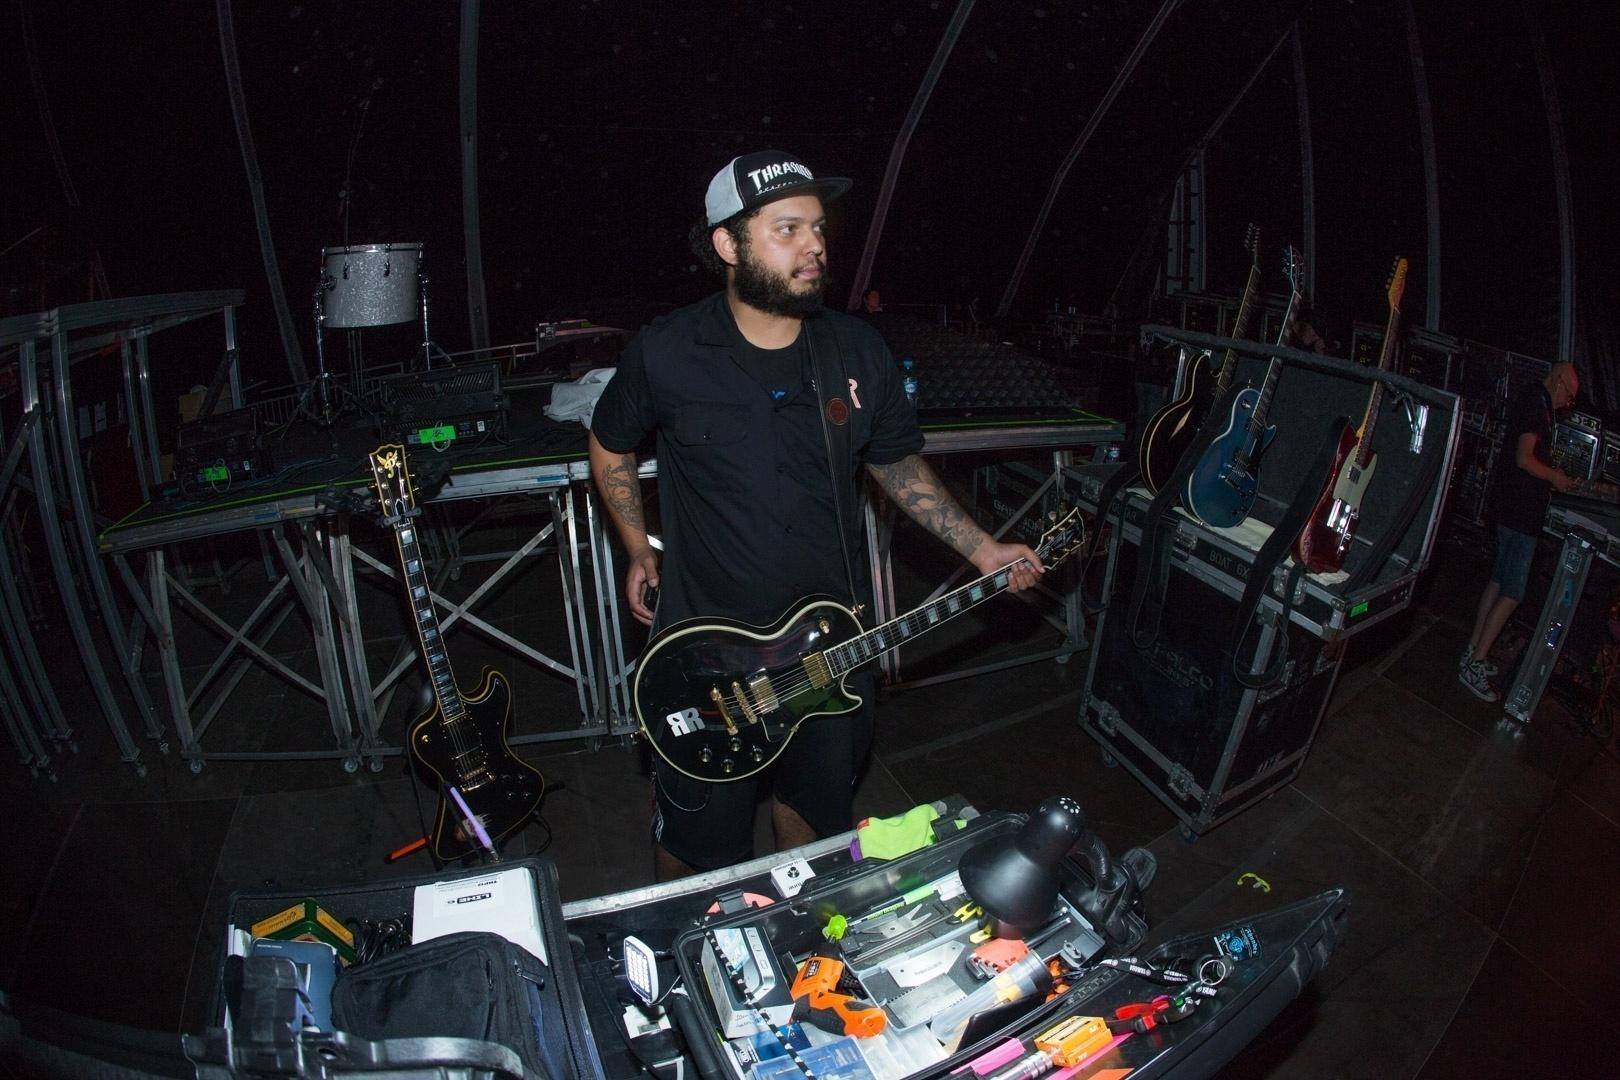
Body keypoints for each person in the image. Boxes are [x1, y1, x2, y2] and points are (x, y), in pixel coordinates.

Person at [587, 150, 1044, 879]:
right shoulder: (667, 351)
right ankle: (686, 949)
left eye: (819, 228)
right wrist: (636, 544)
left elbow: (895, 461)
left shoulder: (856, 351)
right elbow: (609, 444)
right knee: (700, 846)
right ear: (728, 246)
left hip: (832, 645)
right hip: (702, 659)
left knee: (815, 813)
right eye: (788, 228)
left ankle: (800, 927)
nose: (816, 246)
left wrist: (982, 547)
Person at [1460, 361, 1580, 702]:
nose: (1567, 404)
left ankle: (1473, 651)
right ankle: (1476, 661)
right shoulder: (1535, 405)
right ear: (1557, 382)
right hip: (1519, 514)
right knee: (1513, 592)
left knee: (1499, 581)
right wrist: (1555, 477)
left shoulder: (1533, 400)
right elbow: (1524, 459)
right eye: (1569, 397)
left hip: (1511, 509)